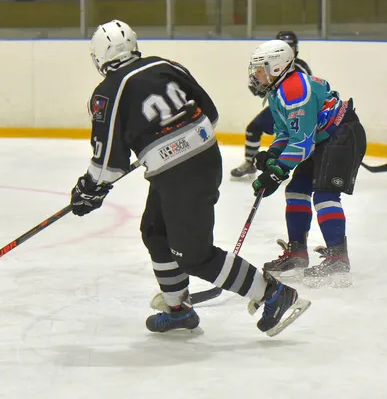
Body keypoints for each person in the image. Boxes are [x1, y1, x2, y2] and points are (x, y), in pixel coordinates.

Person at [69, 19, 310, 336]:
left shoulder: (108, 93)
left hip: (181, 175)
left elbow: (108, 163)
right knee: (156, 233)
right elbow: (209, 113)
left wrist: (88, 189)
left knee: (195, 256)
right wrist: (169, 144)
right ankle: (179, 309)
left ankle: (274, 294)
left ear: (100, 56)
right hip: (201, 161)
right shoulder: (165, 65)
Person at [247, 40, 366, 288]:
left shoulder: (294, 90)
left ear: (277, 67)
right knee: (296, 191)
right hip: (324, 138)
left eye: (261, 68)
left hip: (341, 135)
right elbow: (286, 134)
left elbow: (301, 144)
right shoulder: (278, 92)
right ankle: (297, 254)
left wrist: (277, 172)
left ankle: (338, 257)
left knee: (324, 194)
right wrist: (272, 157)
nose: (256, 74)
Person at [231, 31, 312, 178]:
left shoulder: (300, 67)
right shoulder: (270, 66)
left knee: (302, 138)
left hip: (298, 110)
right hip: (279, 108)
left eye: (290, 47)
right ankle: (250, 163)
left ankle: (311, 168)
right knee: (253, 128)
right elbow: (262, 88)